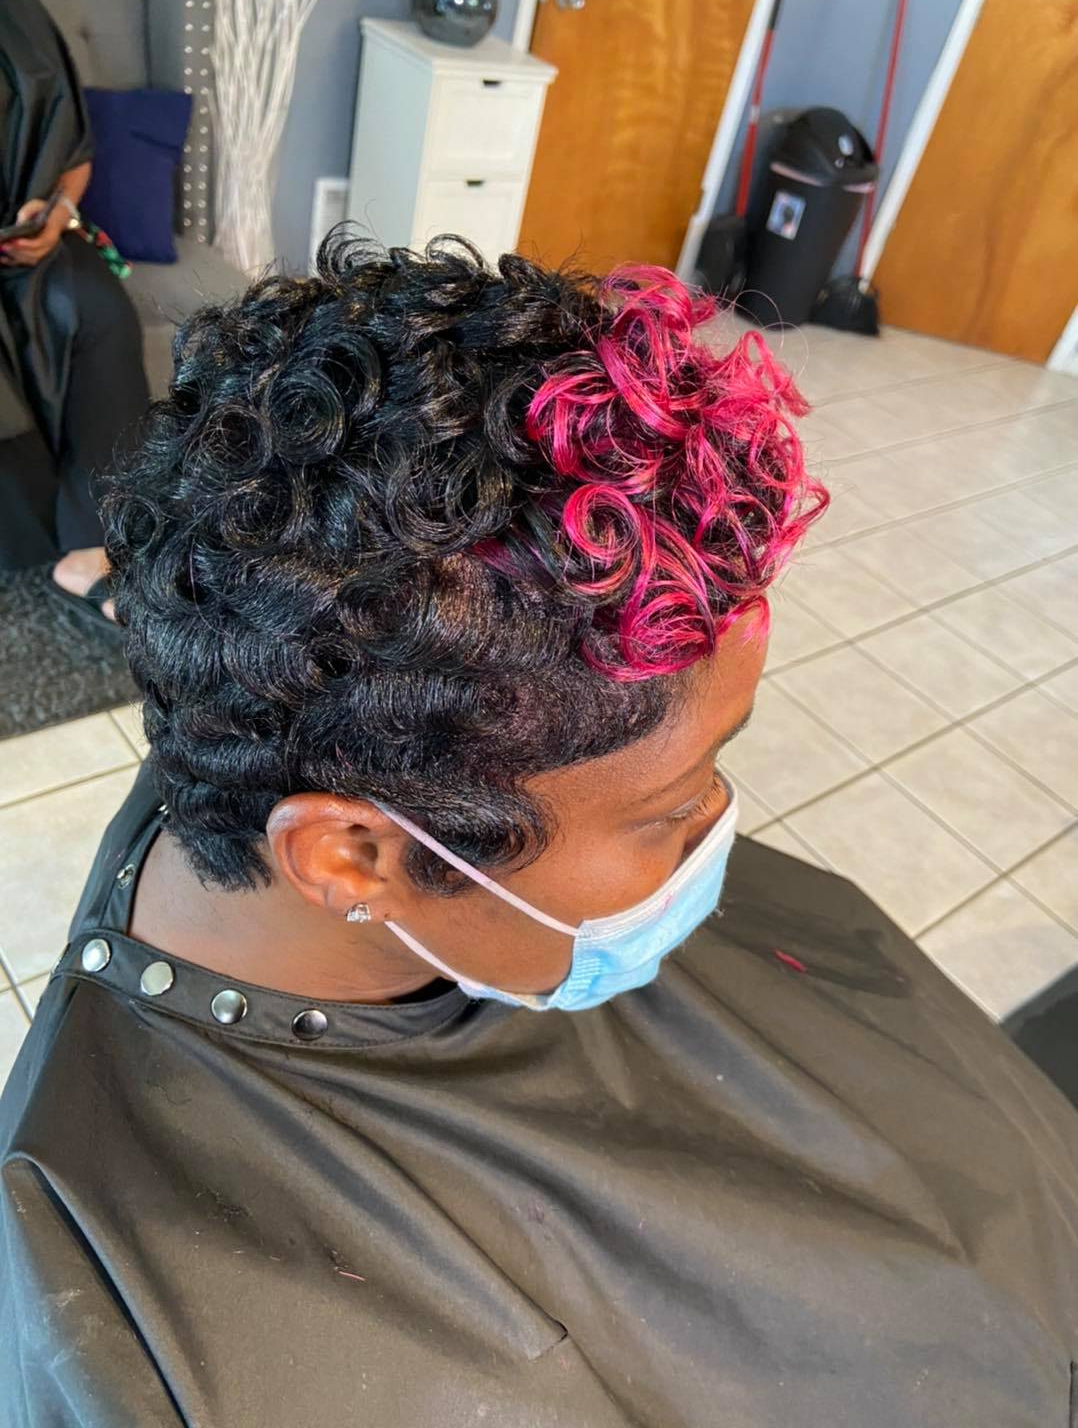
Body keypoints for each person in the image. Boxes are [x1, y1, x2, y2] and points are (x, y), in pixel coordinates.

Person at [0, 237, 1075, 1426]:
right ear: (352, 857)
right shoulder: (140, 1331)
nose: (718, 831)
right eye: (668, 810)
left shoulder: (274, 701)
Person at [0, 0, 149, 622]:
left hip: (27, 245)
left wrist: (56, 214)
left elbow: (74, 153)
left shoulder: (18, 13)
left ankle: (98, 544)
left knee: (95, 304)